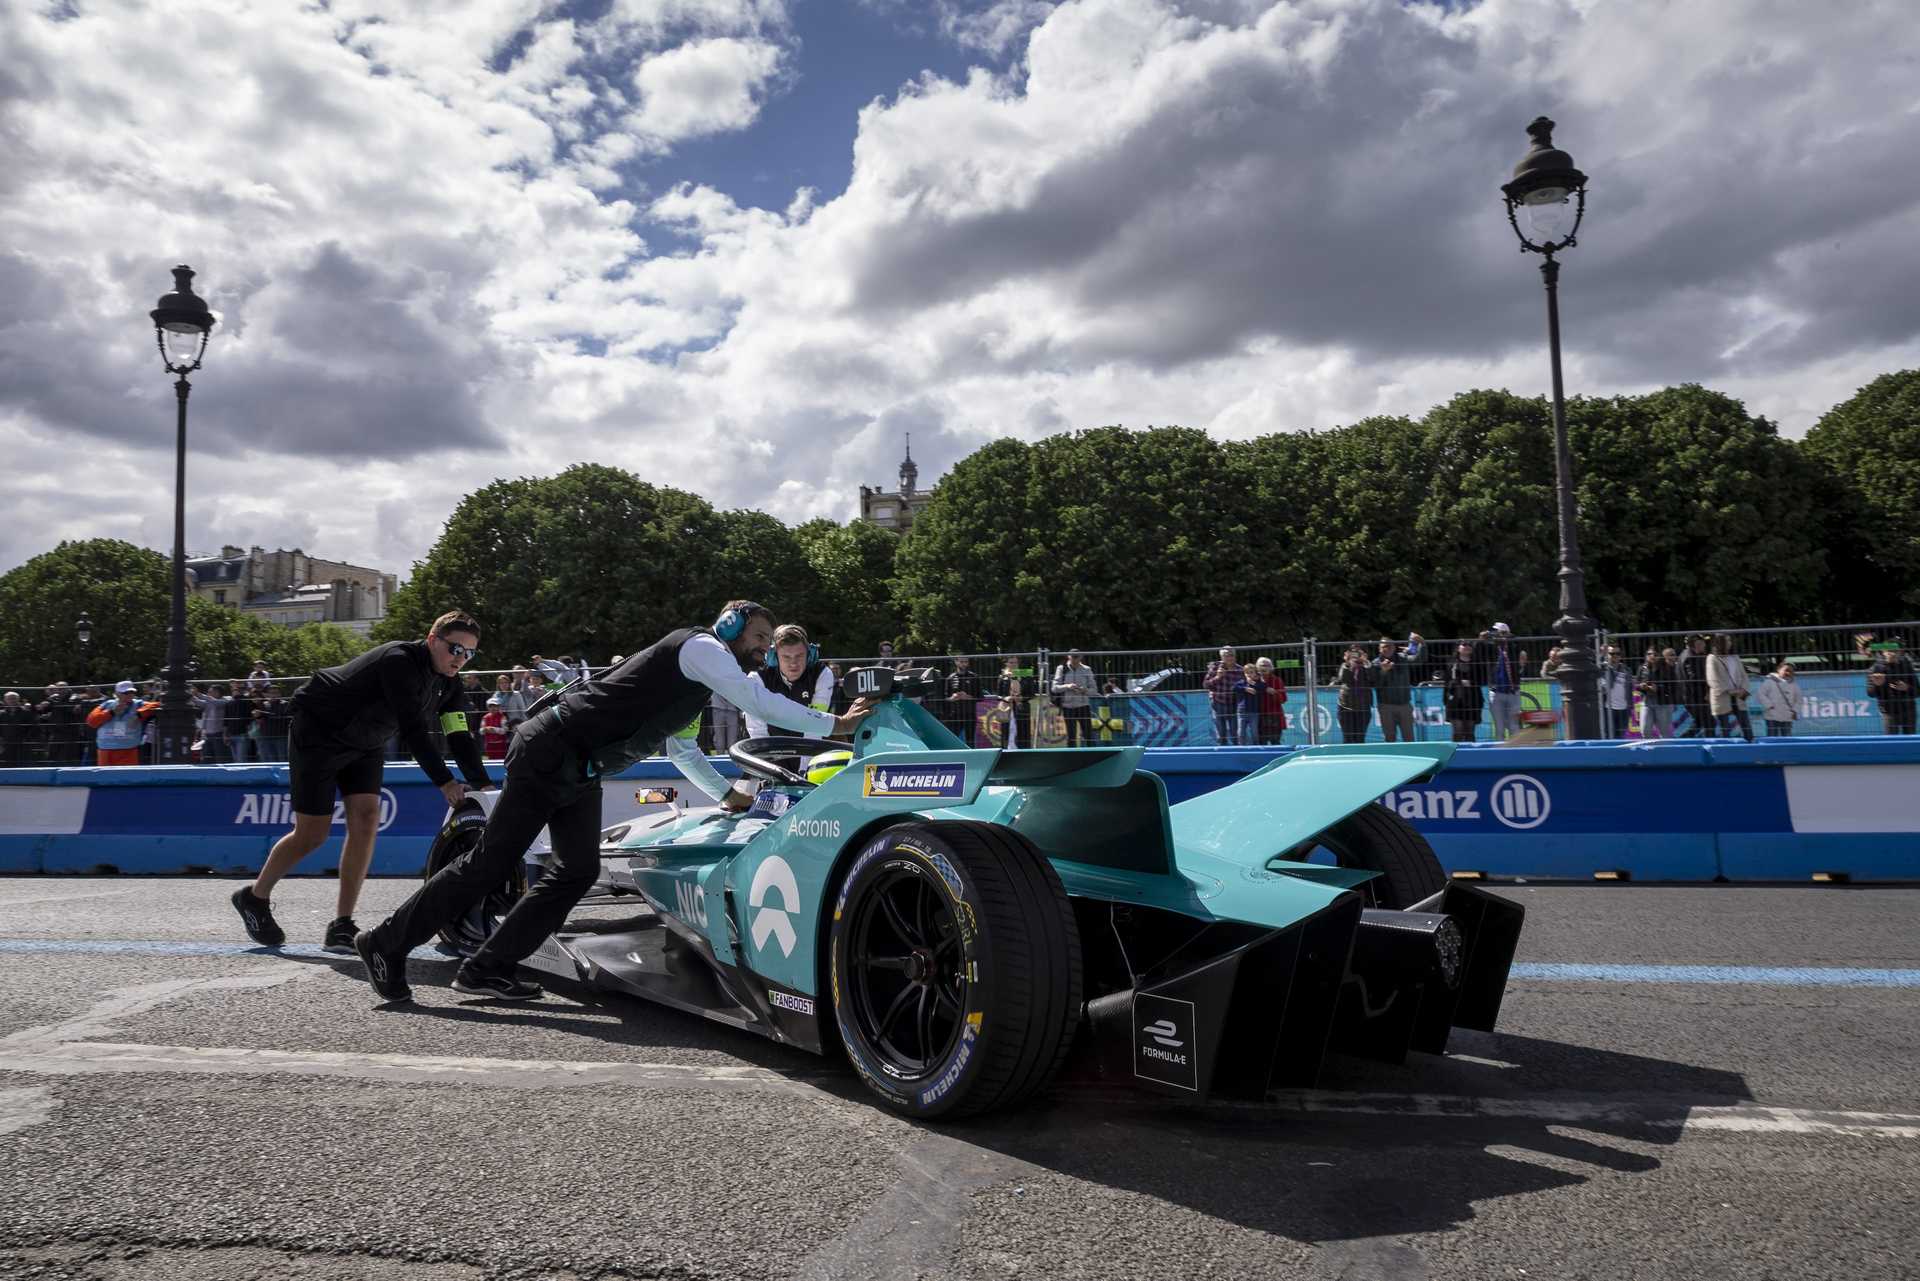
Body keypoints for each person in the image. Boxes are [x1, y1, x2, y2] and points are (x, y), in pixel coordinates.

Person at [351, 601, 876, 1002]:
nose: (764, 648)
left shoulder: (699, 672)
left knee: (576, 870)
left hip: (578, 763)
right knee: (490, 862)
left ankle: (488, 966)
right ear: (732, 628)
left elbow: (681, 747)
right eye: (759, 637)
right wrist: (837, 724)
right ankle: (385, 943)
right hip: (551, 749)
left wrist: (729, 794)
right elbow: (758, 701)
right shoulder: (702, 650)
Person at [231, 610, 494, 955]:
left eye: (469, 653)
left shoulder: (449, 683)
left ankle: (341, 925)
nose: (460, 659)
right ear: (432, 640)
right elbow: (415, 732)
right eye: (455, 649)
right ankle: (253, 897)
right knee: (312, 834)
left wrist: (482, 784)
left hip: (365, 741)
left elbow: (459, 734)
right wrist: (444, 782)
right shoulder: (400, 661)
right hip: (320, 732)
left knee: (367, 819)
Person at [744, 624, 837, 739]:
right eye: (786, 657)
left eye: (799, 656)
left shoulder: (822, 674)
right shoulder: (757, 678)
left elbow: (816, 724)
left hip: (811, 746)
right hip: (769, 747)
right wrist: (766, 756)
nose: (793, 663)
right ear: (774, 657)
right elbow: (757, 731)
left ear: (809, 655)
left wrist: (808, 755)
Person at [84, 681, 160, 766]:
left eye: (132, 692)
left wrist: (139, 714)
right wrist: (111, 713)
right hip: (105, 751)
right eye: (126, 693)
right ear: (117, 693)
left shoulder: (138, 704)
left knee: (127, 777)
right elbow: (91, 721)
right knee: (106, 777)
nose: (130, 694)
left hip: (128, 750)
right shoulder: (107, 704)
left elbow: (157, 705)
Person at [1706, 634, 1754, 742]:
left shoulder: (1735, 657)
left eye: (1730, 640)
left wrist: (1743, 688)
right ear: (1720, 643)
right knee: (1725, 730)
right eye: (1727, 641)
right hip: (1722, 697)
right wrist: (1730, 691)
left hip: (1738, 696)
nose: (1730, 643)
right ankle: (1726, 755)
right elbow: (1713, 679)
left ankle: (1751, 751)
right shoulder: (1712, 658)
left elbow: (1744, 675)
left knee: (1747, 728)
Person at [1478, 624, 1522, 741]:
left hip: (1513, 691)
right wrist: (1481, 640)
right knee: (1499, 727)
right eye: (1494, 632)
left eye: (1497, 632)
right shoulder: (1491, 648)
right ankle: (1501, 753)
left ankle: (1517, 750)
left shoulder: (1513, 646)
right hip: (1496, 692)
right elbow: (1478, 652)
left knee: (1514, 726)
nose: (1495, 634)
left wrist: (1506, 638)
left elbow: (1516, 643)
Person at [1867, 640, 1917, 735]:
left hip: (1908, 709)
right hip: (1889, 710)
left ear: (1900, 652)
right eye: (1889, 650)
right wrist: (1877, 685)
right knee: (1891, 739)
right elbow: (1870, 693)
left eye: (1895, 651)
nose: (1892, 653)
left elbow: (1918, 691)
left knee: (1910, 740)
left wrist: (1906, 688)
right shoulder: (1875, 668)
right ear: (1883, 652)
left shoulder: (1907, 666)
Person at [1372, 638, 1415, 742]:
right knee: (1389, 737)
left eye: (1390, 646)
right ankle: (1392, 758)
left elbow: (1419, 659)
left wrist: (1420, 643)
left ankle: (1411, 757)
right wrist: (1383, 672)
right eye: (1384, 646)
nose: (1387, 649)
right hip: (1386, 706)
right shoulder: (1375, 663)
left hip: (1404, 704)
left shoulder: (1403, 658)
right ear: (1379, 649)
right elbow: (1376, 685)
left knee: (1409, 737)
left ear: (1394, 647)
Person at [1051, 649, 1097, 747]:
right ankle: (1071, 757)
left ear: (1081, 657)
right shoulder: (1061, 668)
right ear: (1068, 656)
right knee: (1071, 736)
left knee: (1088, 734)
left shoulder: (1087, 669)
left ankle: (1092, 755)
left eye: (1077, 657)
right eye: (1073, 656)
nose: (1075, 659)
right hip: (1068, 706)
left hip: (1083, 705)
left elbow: (1094, 690)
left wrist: (1084, 690)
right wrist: (1067, 686)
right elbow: (1054, 688)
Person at [1443, 642, 1484, 742]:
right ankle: (1456, 754)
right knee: (1458, 730)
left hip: (1472, 700)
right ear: (1458, 648)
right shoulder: (1452, 663)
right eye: (1463, 644)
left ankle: (1471, 755)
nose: (1467, 646)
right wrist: (1459, 683)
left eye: (1469, 645)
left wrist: (1471, 683)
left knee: (1470, 731)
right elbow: (1447, 682)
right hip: (1455, 701)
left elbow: (1483, 679)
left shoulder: (1477, 663)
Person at [1333, 646, 1375, 744]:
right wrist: (1348, 663)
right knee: (1348, 738)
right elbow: (1343, 679)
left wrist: (1366, 662)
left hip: (1363, 707)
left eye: (1358, 653)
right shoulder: (1345, 666)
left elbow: (1373, 679)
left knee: (1360, 738)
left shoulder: (1367, 666)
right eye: (1353, 653)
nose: (1355, 656)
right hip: (1346, 707)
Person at [1676, 635, 1713, 737]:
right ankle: (1712, 744)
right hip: (1696, 698)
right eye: (1702, 643)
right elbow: (1694, 679)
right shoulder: (1690, 657)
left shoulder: (1685, 654)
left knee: (1701, 722)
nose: (1705, 645)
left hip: (1691, 697)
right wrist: (1706, 693)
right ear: (1696, 644)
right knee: (1709, 722)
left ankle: (1684, 739)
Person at [1637, 647, 1677, 739]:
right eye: (1649, 654)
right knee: (1645, 730)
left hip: (1663, 703)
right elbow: (1637, 683)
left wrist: (1658, 688)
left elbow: (1673, 686)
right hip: (1647, 702)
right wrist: (1641, 686)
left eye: (1655, 654)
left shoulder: (1667, 668)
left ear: (1660, 656)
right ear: (1646, 656)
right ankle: (1649, 751)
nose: (1652, 656)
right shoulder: (1642, 668)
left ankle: (1665, 751)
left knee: (1665, 733)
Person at [1755, 660, 1801, 736]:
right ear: (1778, 669)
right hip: (1772, 716)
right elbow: (1760, 694)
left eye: (1791, 671)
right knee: (1772, 737)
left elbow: (1799, 700)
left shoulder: (1795, 686)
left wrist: (1795, 711)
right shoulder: (1769, 682)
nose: (1788, 673)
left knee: (1787, 738)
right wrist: (1769, 705)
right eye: (1786, 670)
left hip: (1787, 716)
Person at [1204, 647, 1238, 745]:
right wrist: (1217, 677)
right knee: (1221, 734)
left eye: (1231, 655)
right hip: (1218, 703)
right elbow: (1206, 685)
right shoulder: (1214, 668)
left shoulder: (1240, 669)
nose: (1229, 657)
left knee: (1235, 734)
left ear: (1235, 656)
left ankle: (1236, 755)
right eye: (1226, 655)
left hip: (1234, 705)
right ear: (1221, 657)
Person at [1598, 644, 1634, 739]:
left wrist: (1630, 705)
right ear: (1607, 655)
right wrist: (1602, 655)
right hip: (1608, 708)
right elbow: (1593, 664)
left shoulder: (1627, 670)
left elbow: (1630, 688)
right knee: (1608, 735)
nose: (1615, 655)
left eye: (1618, 653)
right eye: (1612, 653)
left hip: (1624, 708)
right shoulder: (1603, 668)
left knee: (1621, 736)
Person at [944, 656, 981, 744]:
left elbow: (980, 696)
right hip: (954, 714)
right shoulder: (950, 678)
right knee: (953, 739)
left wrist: (968, 697)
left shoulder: (974, 677)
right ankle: (954, 757)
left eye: (966, 662)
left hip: (970, 713)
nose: (964, 664)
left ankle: (971, 756)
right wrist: (952, 698)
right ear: (956, 662)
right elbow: (945, 698)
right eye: (961, 661)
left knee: (970, 740)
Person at [995, 658, 1029, 749]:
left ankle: (1024, 753)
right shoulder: (1002, 676)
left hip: (1021, 708)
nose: (1014, 664)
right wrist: (1005, 698)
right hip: (1006, 708)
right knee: (1006, 732)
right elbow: (998, 695)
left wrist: (1022, 698)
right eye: (1011, 662)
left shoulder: (1026, 673)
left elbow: (1032, 693)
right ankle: (1005, 753)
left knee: (1023, 733)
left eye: (1016, 662)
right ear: (1006, 663)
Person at [1254, 657, 1288, 744]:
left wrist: (1274, 693)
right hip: (1259, 716)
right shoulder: (1253, 681)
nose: (1264, 667)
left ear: (1271, 668)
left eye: (1267, 665)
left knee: (1275, 741)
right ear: (1257, 668)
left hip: (1274, 715)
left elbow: (1284, 699)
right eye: (1262, 665)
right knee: (1261, 742)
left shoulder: (1277, 680)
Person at [195, 683, 231, 763]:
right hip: (207, 734)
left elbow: (214, 702)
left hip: (218, 733)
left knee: (220, 757)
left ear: (217, 692)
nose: (208, 694)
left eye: (210, 692)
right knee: (206, 757)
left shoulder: (224, 701)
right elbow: (198, 702)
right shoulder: (209, 701)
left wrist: (198, 694)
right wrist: (190, 694)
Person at [480, 695, 510, 760]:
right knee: (491, 760)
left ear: (499, 707)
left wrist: (494, 729)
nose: (493, 708)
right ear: (488, 707)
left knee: (501, 760)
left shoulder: (502, 717)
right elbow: (481, 731)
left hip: (500, 744)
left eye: (495, 706)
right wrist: (485, 729)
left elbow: (505, 730)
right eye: (491, 706)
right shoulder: (485, 717)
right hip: (489, 744)